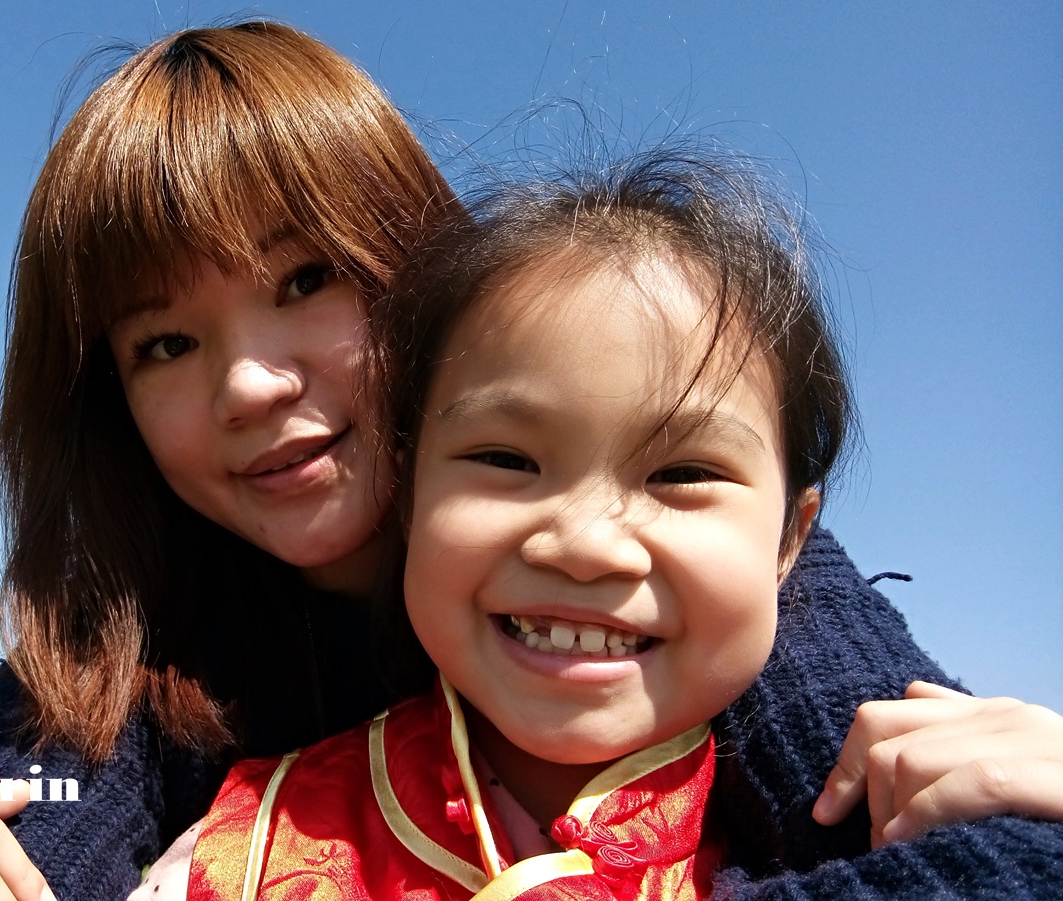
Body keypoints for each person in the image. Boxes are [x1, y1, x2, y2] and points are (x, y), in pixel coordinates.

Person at [0, 21, 1063, 901]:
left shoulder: (694, 564)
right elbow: (23, 826)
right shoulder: (121, 654)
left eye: (307, 280)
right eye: (162, 344)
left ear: (433, 284)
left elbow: (968, 840)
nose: (249, 383)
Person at [143, 147, 1054, 898]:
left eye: (683, 472)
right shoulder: (236, 852)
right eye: (506, 460)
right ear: (408, 494)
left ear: (791, 541)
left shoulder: (906, 812)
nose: (584, 542)